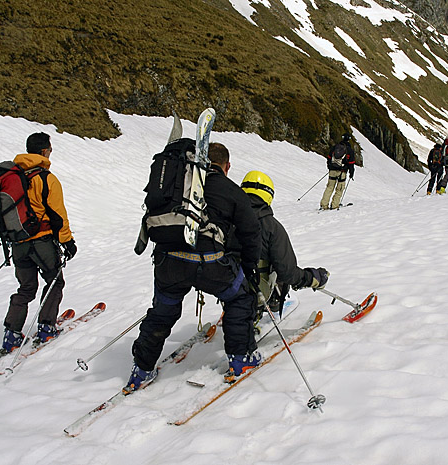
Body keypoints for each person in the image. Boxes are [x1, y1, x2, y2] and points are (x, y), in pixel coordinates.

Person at [126, 142, 262, 392]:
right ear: (227, 166)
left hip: (169, 262)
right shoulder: (229, 189)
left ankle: (141, 369)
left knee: (163, 312)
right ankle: (241, 359)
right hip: (210, 263)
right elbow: (251, 233)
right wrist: (248, 267)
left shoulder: (176, 185)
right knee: (239, 298)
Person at [0, 132, 77, 355]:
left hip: (18, 243)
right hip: (41, 242)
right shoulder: (45, 178)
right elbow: (57, 214)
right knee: (54, 281)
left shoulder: (12, 178)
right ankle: (46, 327)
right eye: (50, 149)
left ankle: (11, 333)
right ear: (44, 151)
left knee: (25, 287)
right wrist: (67, 241)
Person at [240, 171, 330, 322]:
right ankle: (259, 311)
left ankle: (238, 310)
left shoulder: (227, 218)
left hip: (226, 286)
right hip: (256, 291)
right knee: (272, 270)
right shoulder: (272, 227)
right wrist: (313, 278)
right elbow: (287, 272)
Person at [320, 132, 356, 210]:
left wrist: (330, 167)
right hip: (342, 172)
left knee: (329, 187)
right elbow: (351, 164)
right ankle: (334, 205)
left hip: (332, 170)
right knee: (339, 189)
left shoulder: (335, 147)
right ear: (349, 140)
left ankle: (324, 205)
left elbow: (329, 158)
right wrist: (351, 173)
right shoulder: (350, 150)